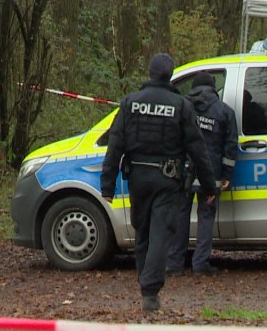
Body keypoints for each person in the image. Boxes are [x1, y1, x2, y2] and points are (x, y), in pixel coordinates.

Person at [100, 53, 217, 313]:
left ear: (149, 73)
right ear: (171, 75)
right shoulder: (181, 105)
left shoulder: (130, 103)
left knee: (142, 233)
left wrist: (107, 185)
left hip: (138, 180)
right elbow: (197, 148)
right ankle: (150, 292)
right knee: (160, 235)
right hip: (168, 180)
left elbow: (115, 144)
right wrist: (209, 186)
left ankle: (146, 284)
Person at [167, 71, 237, 277]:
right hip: (211, 174)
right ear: (213, 88)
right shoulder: (224, 111)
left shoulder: (181, 107)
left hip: (182, 173)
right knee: (206, 217)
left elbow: (171, 138)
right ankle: (200, 263)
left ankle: (174, 264)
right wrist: (227, 174)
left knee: (180, 216)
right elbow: (230, 146)